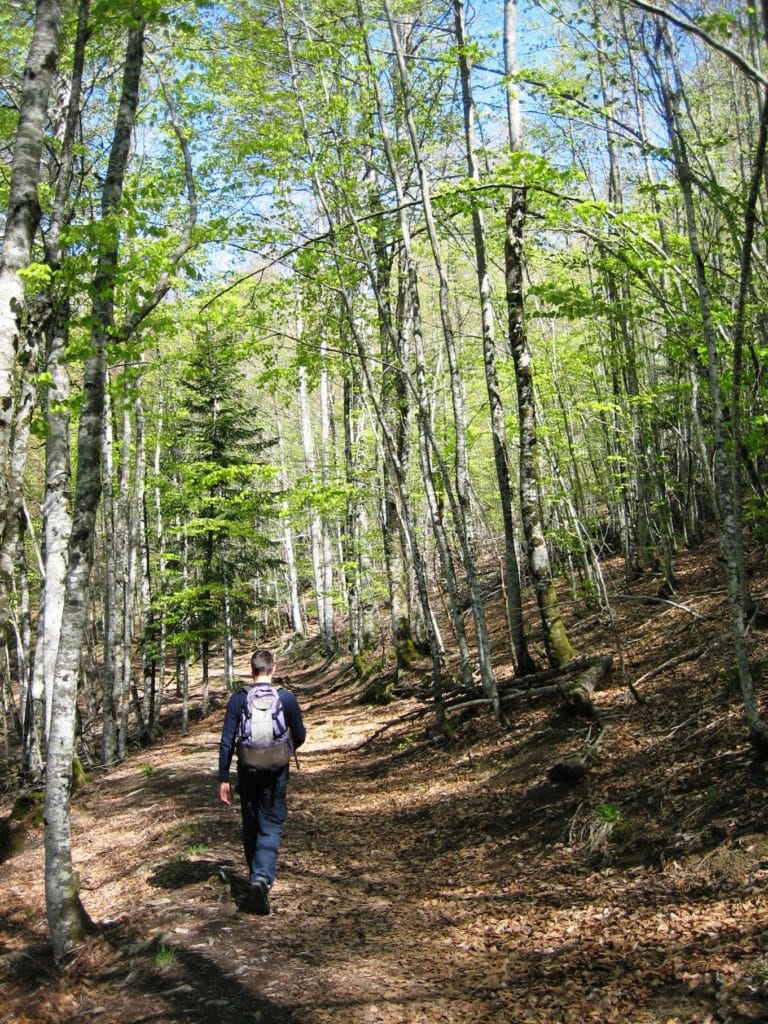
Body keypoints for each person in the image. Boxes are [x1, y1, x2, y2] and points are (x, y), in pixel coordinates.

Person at [218, 648, 306, 914]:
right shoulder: (286, 698)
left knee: (251, 821)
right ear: (274, 669)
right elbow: (300, 734)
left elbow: (226, 742)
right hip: (277, 770)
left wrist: (223, 778)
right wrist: (286, 750)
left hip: (247, 770)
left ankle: (255, 876)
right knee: (272, 822)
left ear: (251, 669)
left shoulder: (238, 699)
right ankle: (261, 879)